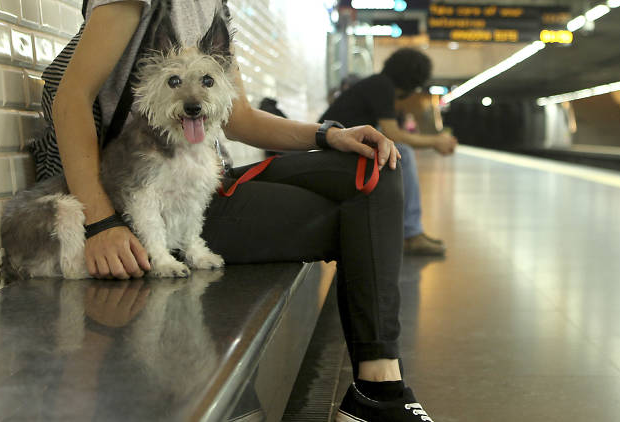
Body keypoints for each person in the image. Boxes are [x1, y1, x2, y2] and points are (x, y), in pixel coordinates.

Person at [30, 0, 433, 420]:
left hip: (204, 183)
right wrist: (101, 223)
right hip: (150, 199)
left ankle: (377, 389)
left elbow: (238, 117)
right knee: (362, 224)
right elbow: (70, 97)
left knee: (376, 166)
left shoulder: (211, 6)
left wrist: (328, 134)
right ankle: (377, 400)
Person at [320, 48, 458, 256]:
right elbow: (395, 135)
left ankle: (408, 231)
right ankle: (411, 235)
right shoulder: (382, 86)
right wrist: (435, 141)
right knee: (403, 152)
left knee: (397, 152)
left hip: (332, 148)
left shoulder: (377, 84)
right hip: (329, 152)